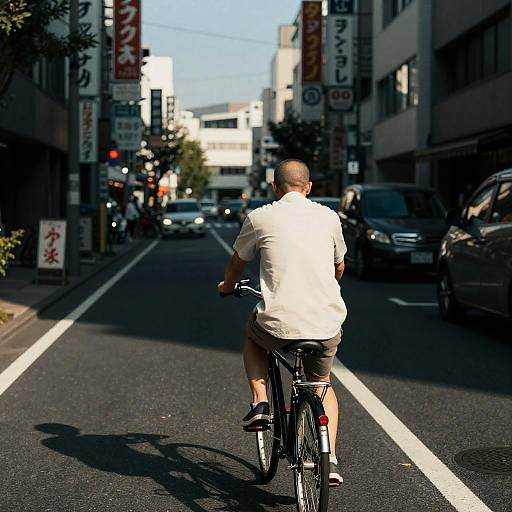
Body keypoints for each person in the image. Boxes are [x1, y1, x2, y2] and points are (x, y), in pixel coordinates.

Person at [218, 159, 347, 486]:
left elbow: (238, 261)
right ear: (309, 187)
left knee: (253, 336)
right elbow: (340, 266)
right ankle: (328, 458)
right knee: (322, 384)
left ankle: (261, 401)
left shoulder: (260, 217)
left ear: (275, 187)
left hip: (278, 322)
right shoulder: (330, 217)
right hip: (325, 321)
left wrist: (228, 286)